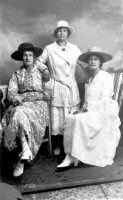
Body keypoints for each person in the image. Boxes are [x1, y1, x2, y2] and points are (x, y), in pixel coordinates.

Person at [56, 46, 121, 171]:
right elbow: (88, 100)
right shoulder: (90, 78)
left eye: (95, 59)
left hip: (103, 113)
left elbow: (105, 101)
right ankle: (72, 156)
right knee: (71, 117)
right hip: (92, 111)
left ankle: (71, 157)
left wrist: (86, 110)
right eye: (90, 59)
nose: (92, 61)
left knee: (79, 120)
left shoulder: (105, 77)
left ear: (100, 62)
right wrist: (83, 109)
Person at [1, 42, 50, 177]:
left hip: (38, 106)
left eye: (30, 55)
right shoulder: (17, 74)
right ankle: (25, 150)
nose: (27, 58)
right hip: (21, 105)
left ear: (34, 57)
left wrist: (30, 98)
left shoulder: (42, 72)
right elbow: (11, 92)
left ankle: (23, 155)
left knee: (18, 112)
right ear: (21, 58)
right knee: (18, 111)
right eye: (25, 55)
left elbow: (48, 92)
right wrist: (17, 99)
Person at [35, 20, 82, 156]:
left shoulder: (74, 48)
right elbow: (38, 62)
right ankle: (58, 144)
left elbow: (83, 61)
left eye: (64, 30)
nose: (62, 32)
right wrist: (44, 69)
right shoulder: (49, 48)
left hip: (71, 86)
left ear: (68, 33)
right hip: (57, 86)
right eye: (59, 30)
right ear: (56, 33)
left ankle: (71, 146)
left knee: (71, 116)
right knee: (57, 119)